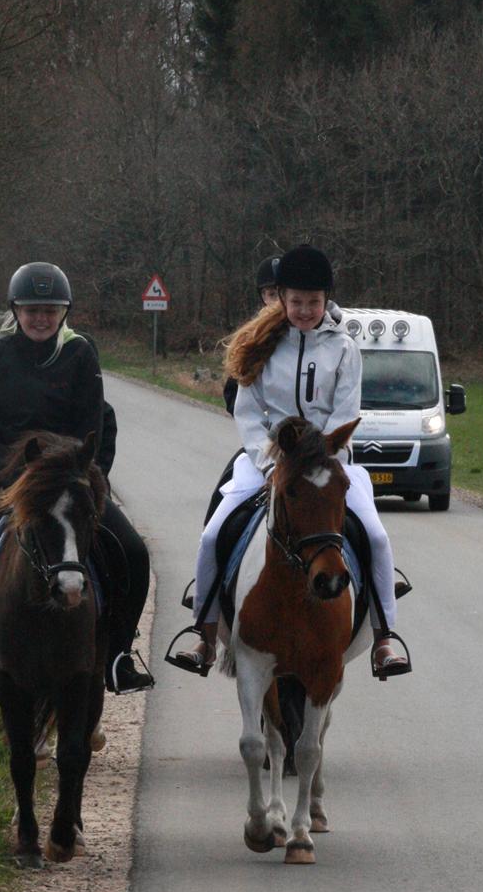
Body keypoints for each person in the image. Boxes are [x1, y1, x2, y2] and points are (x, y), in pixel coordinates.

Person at [175, 243, 410, 680]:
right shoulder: (261, 344)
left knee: (375, 536)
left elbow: (345, 414)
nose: (304, 311)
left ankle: (384, 637)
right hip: (267, 459)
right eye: (296, 302)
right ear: (281, 299)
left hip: (329, 461)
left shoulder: (345, 349)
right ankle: (204, 634)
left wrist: (322, 459)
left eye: (313, 302)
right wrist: (268, 464)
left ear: (327, 301)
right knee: (212, 535)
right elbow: (248, 410)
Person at [0, 261, 154, 697]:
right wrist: (16, 477)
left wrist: (78, 476)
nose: (41, 318)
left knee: (134, 553)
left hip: (71, 482)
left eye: (50, 309)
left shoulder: (82, 354)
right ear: (16, 310)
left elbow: (93, 423)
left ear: (63, 311)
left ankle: (121, 655)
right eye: (32, 310)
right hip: (12, 481)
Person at [222, 255, 280, 416]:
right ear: (263, 297)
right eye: (273, 294)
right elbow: (232, 394)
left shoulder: (306, 333)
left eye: (283, 293)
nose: (279, 302)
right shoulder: (251, 337)